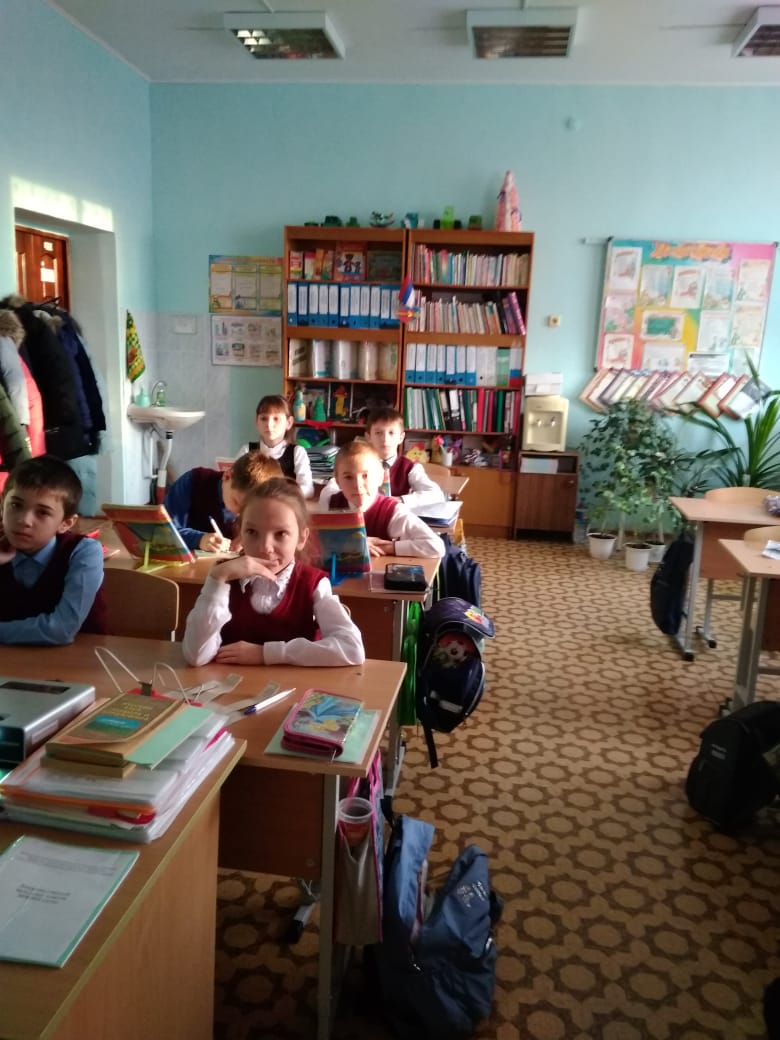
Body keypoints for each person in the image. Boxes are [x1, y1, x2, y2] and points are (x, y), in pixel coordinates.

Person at [182, 477, 364, 667]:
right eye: (252, 532)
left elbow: (352, 649)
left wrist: (265, 653)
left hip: (292, 685)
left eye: (280, 534)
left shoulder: (312, 583)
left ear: (301, 538)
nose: (265, 547)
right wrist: (217, 579)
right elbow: (196, 657)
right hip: (231, 684)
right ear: (240, 532)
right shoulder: (225, 577)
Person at [0, 455, 106, 644]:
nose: (24, 520)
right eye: (15, 505)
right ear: (2, 506)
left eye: (42, 512)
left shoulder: (84, 552)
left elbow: (61, 629)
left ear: (66, 523)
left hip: (82, 658)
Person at [327, 440, 444, 559]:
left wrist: (385, 547)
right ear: (338, 481)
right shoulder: (331, 503)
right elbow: (317, 544)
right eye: (348, 477)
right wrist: (353, 545)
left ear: (380, 477)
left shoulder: (391, 511)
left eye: (365, 475)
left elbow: (435, 547)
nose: (357, 485)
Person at [319, 406, 443, 510]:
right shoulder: (357, 464)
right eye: (378, 433)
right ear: (368, 437)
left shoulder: (410, 468)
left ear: (401, 437)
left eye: (391, 433)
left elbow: (436, 495)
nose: (385, 439)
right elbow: (328, 492)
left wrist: (398, 501)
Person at [164, 450, 281, 552]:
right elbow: (164, 531)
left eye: (247, 511)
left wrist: (249, 536)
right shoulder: (194, 481)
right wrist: (199, 539)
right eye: (236, 502)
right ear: (227, 476)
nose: (238, 514)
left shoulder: (263, 505)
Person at [237, 394, 314, 499]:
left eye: (276, 418)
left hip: (285, 505)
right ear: (256, 422)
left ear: (289, 422)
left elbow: (308, 489)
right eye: (264, 418)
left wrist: (281, 495)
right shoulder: (247, 450)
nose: (269, 424)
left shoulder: (297, 452)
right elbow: (234, 483)